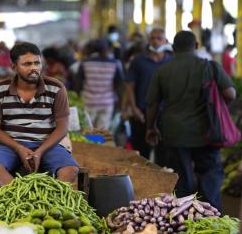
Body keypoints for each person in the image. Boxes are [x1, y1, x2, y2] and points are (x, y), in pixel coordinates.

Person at [146, 30, 236, 210]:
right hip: (207, 131)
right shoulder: (210, 66)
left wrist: (151, 127)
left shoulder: (163, 70)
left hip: (174, 132)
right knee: (209, 175)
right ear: (195, 46)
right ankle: (211, 219)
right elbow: (230, 94)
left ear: (172, 47)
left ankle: (184, 220)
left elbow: (152, 104)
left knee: (181, 178)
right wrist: (216, 106)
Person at [0, 42, 79, 187]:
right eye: (27, 64)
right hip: (10, 145)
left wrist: (40, 151)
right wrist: (18, 148)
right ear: (14, 67)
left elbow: (62, 127)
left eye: (37, 63)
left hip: (47, 145)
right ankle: (16, 198)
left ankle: (53, 201)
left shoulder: (56, 88)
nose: (34, 68)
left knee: (70, 169)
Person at [125, 27, 172, 162]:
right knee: (141, 153)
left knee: (163, 154)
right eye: (152, 38)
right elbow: (129, 86)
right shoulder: (138, 61)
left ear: (165, 41)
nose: (156, 41)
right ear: (148, 40)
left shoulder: (171, 61)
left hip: (164, 114)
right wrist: (134, 109)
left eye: (159, 38)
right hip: (142, 113)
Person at [75, 38, 124, 129]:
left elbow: (78, 84)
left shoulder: (85, 63)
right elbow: (119, 84)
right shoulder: (115, 64)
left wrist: (78, 98)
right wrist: (120, 104)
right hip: (107, 103)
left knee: (88, 133)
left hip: (88, 102)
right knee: (102, 133)